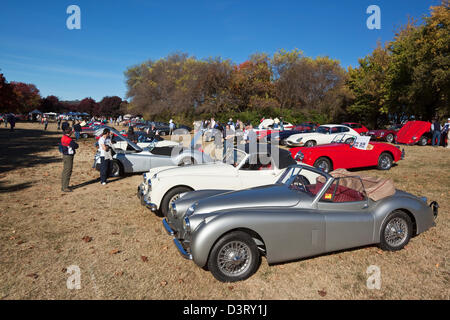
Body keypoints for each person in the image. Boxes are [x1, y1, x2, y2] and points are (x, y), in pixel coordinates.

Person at [60, 122, 79, 192]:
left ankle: (64, 185)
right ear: (70, 132)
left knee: (65, 171)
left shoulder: (64, 137)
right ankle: (65, 187)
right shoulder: (68, 139)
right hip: (68, 156)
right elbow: (76, 146)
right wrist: (74, 141)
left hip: (65, 155)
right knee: (68, 171)